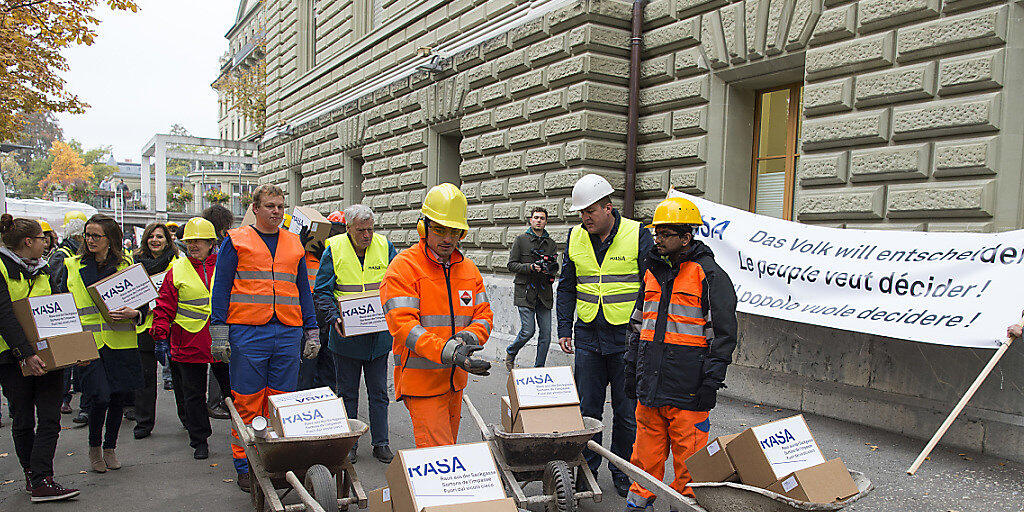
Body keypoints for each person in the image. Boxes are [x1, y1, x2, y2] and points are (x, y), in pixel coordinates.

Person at [622, 197, 737, 509]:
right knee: (644, 456)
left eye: (665, 234)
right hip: (651, 386)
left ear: (686, 238)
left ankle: (684, 505)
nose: (657, 239)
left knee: (690, 462)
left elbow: (723, 336)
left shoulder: (709, 275)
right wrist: (632, 371)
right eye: (657, 233)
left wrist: (711, 382)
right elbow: (637, 327)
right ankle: (639, 502)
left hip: (688, 388)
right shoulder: (651, 273)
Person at [209, 185, 320, 492]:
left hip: (287, 331)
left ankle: (277, 462)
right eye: (270, 206)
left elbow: (302, 290)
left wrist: (311, 330)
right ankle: (245, 465)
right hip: (247, 331)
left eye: (281, 206)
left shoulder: (294, 243)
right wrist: (219, 333)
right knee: (248, 402)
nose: (276, 211)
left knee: (281, 403)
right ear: (255, 209)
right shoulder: (236, 240)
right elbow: (221, 289)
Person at [556, 174, 654, 497]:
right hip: (587, 335)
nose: (584, 218)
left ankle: (622, 470)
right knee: (587, 412)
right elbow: (567, 287)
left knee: (627, 413)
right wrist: (563, 329)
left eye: (590, 212)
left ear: (608, 208)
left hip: (626, 338)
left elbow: (649, 286)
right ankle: (586, 471)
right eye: (581, 213)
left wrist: (644, 333)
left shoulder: (637, 234)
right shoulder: (575, 237)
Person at [380, 183, 493, 448]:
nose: (447, 238)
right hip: (421, 382)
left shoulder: (468, 269)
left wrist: (466, 338)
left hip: (454, 381)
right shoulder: (404, 267)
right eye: (440, 230)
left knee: (445, 457)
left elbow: (484, 316)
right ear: (424, 227)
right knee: (440, 455)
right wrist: (449, 351)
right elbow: (404, 326)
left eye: (454, 231)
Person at [52, 214, 143, 474]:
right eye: (87, 235)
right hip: (88, 342)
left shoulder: (127, 263)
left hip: (121, 340)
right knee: (99, 396)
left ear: (110, 239)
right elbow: (60, 303)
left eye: (96, 236)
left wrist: (135, 314)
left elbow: (142, 302)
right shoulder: (71, 264)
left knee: (117, 398)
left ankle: (110, 448)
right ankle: (94, 448)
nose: (90, 240)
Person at [0, 214, 81, 502]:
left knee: (49, 419)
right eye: (41, 239)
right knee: (22, 420)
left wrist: (76, 349)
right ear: (28, 241)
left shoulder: (44, 269)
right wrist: (25, 354)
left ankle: (42, 478)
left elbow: (59, 310)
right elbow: (5, 315)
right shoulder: (1, 267)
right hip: (11, 358)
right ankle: (32, 474)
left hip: (48, 356)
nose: (45, 243)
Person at [315, 204, 396, 463]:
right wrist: (332, 316)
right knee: (347, 392)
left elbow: (397, 282)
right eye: (361, 230)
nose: (367, 235)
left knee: (379, 393)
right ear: (348, 229)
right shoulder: (335, 247)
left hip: (378, 336)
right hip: (346, 337)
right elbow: (323, 290)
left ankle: (381, 443)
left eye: (370, 229)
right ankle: (349, 443)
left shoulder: (385, 245)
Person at [152, 217, 229, 460]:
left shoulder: (226, 265)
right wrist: (160, 336)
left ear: (211, 243)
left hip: (222, 340)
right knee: (193, 395)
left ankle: (244, 434)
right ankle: (199, 440)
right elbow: (164, 306)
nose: (193, 246)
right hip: (188, 340)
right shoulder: (176, 270)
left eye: (199, 241)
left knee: (232, 392)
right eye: (189, 242)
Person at [131, 223, 179, 439]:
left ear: (167, 240)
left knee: (181, 379)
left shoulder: (177, 263)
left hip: (173, 326)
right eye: (151, 236)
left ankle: (189, 420)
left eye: (160, 236)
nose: (155, 240)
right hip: (144, 327)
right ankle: (143, 423)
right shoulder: (134, 264)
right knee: (145, 380)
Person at [505, 206, 558, 370]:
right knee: (528, 331)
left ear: (546, 222)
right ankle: (511, 352)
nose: (539, 221)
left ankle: (539, 368)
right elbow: (511, 265)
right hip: (525, 292)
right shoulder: (521, 240)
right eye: (536, 218)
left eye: (542, 218)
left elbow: (555, 267)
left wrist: (549, 270)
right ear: (531, 220)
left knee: (546, 335)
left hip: (544, 294)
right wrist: (529, 267)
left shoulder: (551, 244)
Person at [52, 211, 89, 425]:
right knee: (68, 362)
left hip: (78, 316)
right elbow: (57, 285)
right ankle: (64, 398)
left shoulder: (76, 252)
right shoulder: (63, 254)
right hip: (68, 316)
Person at [201, 204, 234, 420]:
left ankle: (217, 401)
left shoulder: (210, 245)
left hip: (207, 314)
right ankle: (215, 402)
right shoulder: (222, 247)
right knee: (219, 358)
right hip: (217, 313)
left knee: (218, 358)